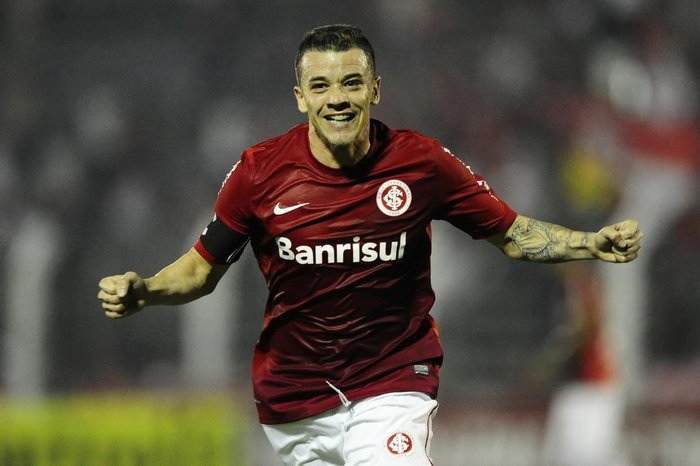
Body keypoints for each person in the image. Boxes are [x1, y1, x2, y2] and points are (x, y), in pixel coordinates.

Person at [98, 24, 642, 465]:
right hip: (295, 400)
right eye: (321, 86)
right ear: (300, 97)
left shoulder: (421, 163)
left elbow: (514, 235)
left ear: (375, 90)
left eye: (352, 83)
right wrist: (146, 290)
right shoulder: (258, 174)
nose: (337, 99)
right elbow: (201, 269)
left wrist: (592, 243)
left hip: (393, 382)